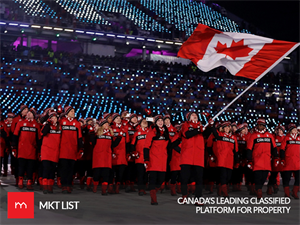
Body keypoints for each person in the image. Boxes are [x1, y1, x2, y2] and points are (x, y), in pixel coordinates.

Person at [246, 118, 278, 199]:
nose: (261, 127)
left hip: (267, 160)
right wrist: (249, 160)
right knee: (257, 176)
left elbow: (274, 148)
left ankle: (257, 188)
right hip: (257, 160)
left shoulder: (270, 136)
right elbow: (249, 149)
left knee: (264, 177)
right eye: (259, 125)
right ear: (257, 126)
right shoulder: (253, 136)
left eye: (262, 125)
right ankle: (258, 190)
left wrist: (276, 157)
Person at [143, 115, 170, 205]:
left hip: (163, 160)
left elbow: (170, 145)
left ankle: (154, 191)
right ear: (155, 122)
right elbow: (146, 147)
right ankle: (153, 198)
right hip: (153, 159)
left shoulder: (166, 132)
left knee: (161, 180)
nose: (160, 122)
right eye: (158, 121)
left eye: (161, 120)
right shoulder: (151, 132)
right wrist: (146, 159)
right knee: (153, 179)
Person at [12, 108, 41, 190]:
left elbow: (39, 139)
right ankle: (20, 181)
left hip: (32, 150)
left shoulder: (37, 125)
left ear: (33, 115)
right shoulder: (20, 123)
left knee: (30, 167)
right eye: (28, 112)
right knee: (21, 166)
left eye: (30, 113)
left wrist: (39, 151)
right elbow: (15, 136)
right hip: (22, 150)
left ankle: (29, 182)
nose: (28, 114)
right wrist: (14, 148)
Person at [90, 119, 121, 195]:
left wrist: (119, 137)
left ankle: (104, 190)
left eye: (107, 124)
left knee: (106, 173)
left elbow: (113, 145)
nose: (107, 125)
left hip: (107, 156)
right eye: (105, 124)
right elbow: (92, 142)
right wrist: (91, 133)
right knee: (97, 173)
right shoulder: (97, 133)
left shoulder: (110, 134)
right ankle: (95, 187)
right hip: (98, 155)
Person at [59, 106, 83, 194]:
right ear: (67, 112)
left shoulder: (77, 123)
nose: (73, 112)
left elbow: (79, 137)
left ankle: (68, 185)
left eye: (74, 111)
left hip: (73, 150)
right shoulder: (62, 122)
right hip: (63, 150)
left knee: (71, 169)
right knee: (63, 169)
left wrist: (80, 148)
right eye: (72, 111)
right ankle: (64, 185)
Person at [211, 121, 239, 197]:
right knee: (223, 175)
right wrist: (212, 124)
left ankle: (220, 189)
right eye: (225, 127)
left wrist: (236, 161)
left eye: (228, 127)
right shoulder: (220, 135)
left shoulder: (233, 138)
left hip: (230, 159)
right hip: (222, 159)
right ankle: (224, 191)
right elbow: (214, 132)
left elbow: (236, 150)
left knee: (228, 176)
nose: (227, 128)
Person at [40, 112, 61, 194]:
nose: (54, 119)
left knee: (52, 169)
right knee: (46, 168)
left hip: (55, 151)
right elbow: (43, 133)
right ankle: (45, 187)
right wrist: (48, 123)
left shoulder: (60, 127)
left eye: (55, 118)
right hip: (46, 150)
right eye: (52, 118)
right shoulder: (46, 125)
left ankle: (50, 186)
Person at [109, 113, 129, 194]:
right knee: (112, 171)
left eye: (119, 118)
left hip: (122, 153)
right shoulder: (111, 128)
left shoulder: (125, 128)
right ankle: (110, 187)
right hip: (114, 152)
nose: (118, 119)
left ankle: (117, 187)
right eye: (116, 118)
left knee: (120, 172)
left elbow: (127, 142)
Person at [280, 123, 300, 199]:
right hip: (288, 162)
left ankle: (294, 192)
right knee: (286, 178)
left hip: (298, 162)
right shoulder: (286, 138)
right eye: (293, 130)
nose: (295, 131)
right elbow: (282, 149)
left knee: (298, 178)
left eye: (296, 129)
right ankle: (287, 194)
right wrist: (282, 158)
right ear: (290, 131)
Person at [130, 118, 149, 195]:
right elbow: (132, 144)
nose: (145, 123)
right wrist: (133, 152)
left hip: (148, 156)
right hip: (140, 156)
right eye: (143, 122)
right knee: (141, 173)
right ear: (140, 124)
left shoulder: (151, 132)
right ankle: (141, 189)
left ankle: (144, 188)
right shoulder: (137, 133)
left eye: (146, 122)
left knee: (146, 174)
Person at [10, 105, 28, 186]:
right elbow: (12, 133)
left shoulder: (28, 120)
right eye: (25, 110)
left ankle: (22, 178)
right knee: (16, 163)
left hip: (26, 144)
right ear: (22, 111)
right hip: (17, 143)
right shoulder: (16, 120)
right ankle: (17, 179)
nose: (26, 111)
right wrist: (13, 145)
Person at [232, 123, 250, 192]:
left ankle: (248, 185)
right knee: (237, 172)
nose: (246, 130)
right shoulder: (236, 136)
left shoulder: (248, 136)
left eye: (246, 128)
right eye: (244, 129)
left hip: (245, 158)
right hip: (238, 157)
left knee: (247, 172)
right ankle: (236, 185)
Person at [268, 125, 285, 195]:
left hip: (283, 159)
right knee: (273, 174)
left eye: (281, 130)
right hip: (275, 159)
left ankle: (281, 188)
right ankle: (271, 188)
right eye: (278, 130)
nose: (279, 131)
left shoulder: (285, 138)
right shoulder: (273, 137)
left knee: (284, 175)